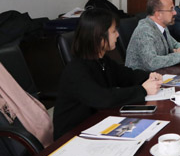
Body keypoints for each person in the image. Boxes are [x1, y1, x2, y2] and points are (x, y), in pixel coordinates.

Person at [53, 8, 163, 139]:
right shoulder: (76, 70)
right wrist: (143, 90)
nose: (118, 35)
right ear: (99, 35)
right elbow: (103, 98)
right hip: (72, 136)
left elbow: (126, 75)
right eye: (114, 31)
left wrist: (149, 76)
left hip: (98, 124)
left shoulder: (102, 60)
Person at [125, 0, 180, 71]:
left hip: (160, 73)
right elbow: (152, 63)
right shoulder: (145, 31)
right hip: (142, 76)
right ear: (158, 14)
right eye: (171, 9)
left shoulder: (162, 27)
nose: (175, 12)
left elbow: (175, 44)